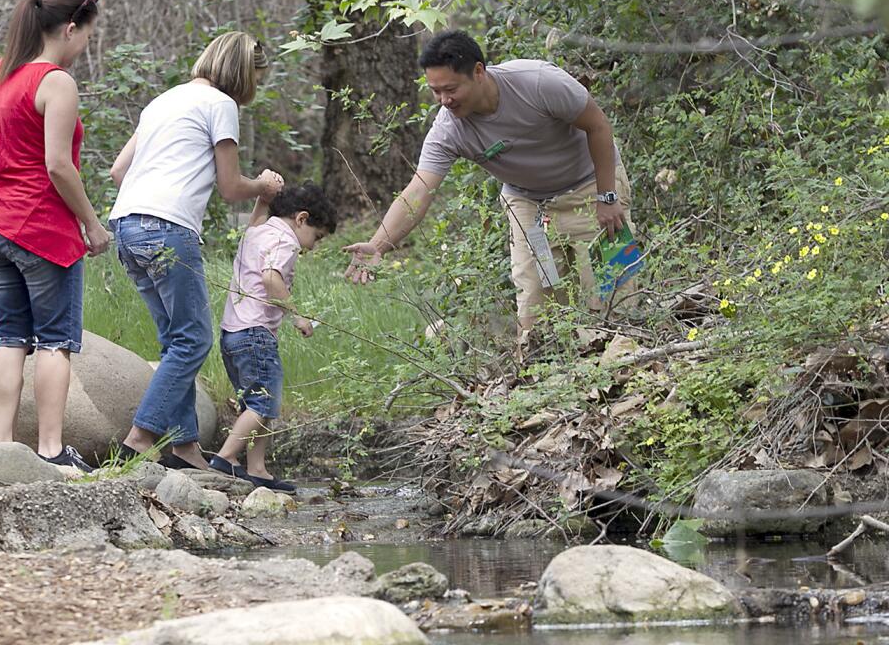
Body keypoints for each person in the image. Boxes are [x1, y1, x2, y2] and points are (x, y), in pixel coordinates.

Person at [344, 30, 636, 347]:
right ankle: (546, 381)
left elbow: (598, 125)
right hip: (532, 208)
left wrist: (607, 196)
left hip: (591, 188)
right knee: (541, 301)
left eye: (451, 89)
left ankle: (623, 363)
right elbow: (419, 190)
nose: (444, 100)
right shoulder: (448, 129)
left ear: (479, 72)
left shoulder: (537, 82)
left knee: (613, 294)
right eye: (435, 91)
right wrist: (379, 244)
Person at [109, 31, 283, 470]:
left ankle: (185, 448)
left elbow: (117, 171)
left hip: (127, 223)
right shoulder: (221, 105)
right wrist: (263, 186)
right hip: (168, 228)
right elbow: (230, 188)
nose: (254, 89)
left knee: (176, 341)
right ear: (244, 73)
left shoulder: (164, 101)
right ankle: (139, 436)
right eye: (256, 78)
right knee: (195, 339)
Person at [0, 0, 109, 473]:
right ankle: (51, 451)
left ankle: (3, 448)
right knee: (54, 340)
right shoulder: (55, 82)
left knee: (9, 336)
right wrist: (91, 224)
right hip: (42, 230)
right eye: (87, 36)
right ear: (70, 28)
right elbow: (58, 166)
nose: (85, 46)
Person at [209, 184, 337, 491]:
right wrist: (297, 314)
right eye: (317, 237)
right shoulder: (286, 240)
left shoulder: (258, 231)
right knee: (264, 402)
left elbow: (253, 222)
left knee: (256, 404)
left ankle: (258, 468)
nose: (313, 246)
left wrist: (261, 200)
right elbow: (270, 277)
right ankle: (226, 458)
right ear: (301, 219)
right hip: (255, 334)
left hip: (233, 333)